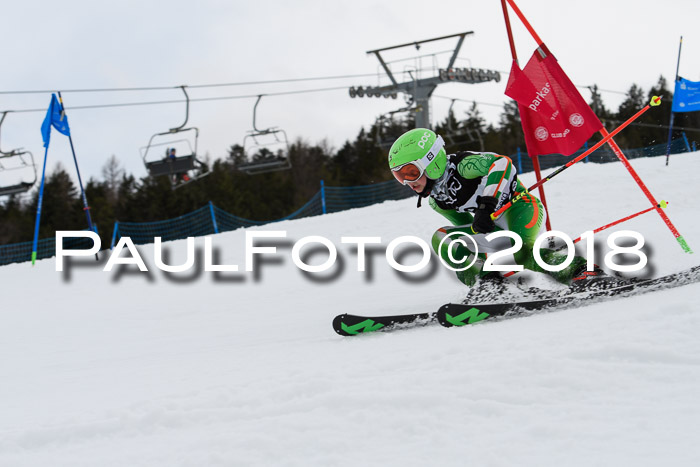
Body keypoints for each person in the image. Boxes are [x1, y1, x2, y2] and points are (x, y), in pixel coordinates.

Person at [388, 128, 605, 288]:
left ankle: (582, 272)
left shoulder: (463, 166)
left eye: (410, 173)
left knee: (521, 252)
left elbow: (502, 164)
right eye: (399, 177)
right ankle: (487, 285)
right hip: (491, 227)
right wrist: (481, 261)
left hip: (521, 208)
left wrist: (486, 204)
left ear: (431, 161)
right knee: (441, 237)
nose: (408, 182)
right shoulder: (437, 201)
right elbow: (468, 229)